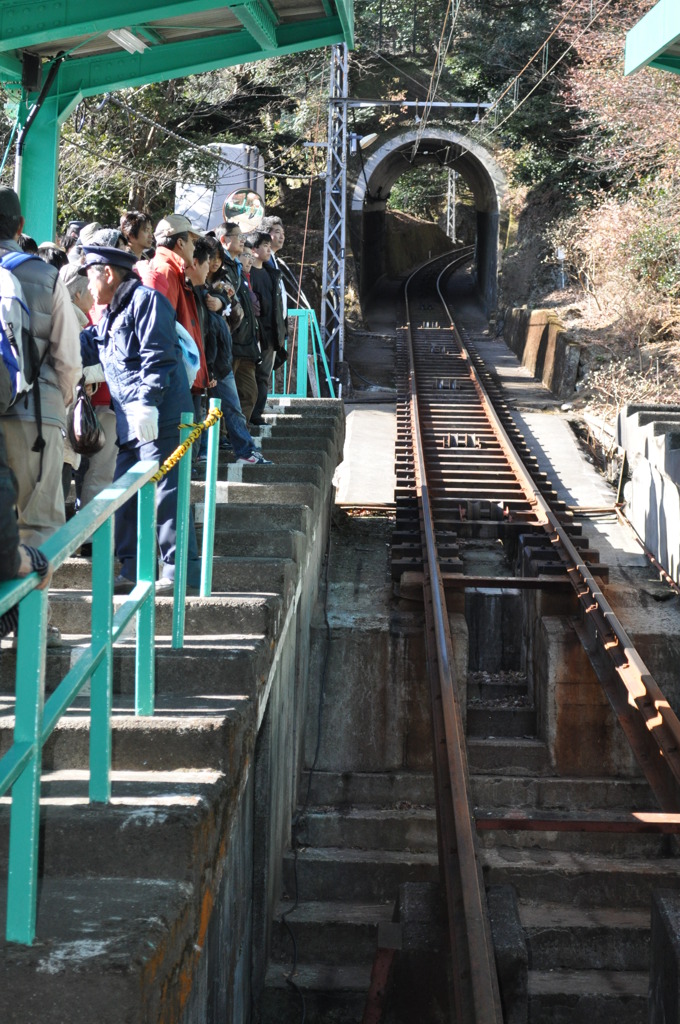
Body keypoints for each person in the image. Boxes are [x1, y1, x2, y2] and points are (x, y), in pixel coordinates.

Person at [79, 246, 201, 594]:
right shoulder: (112, 312)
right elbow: (90, 345)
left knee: (168, 492)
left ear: (107, 273)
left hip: (159, 416)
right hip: (131, 421)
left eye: (90, 276)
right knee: (125, 492)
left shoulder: (147, 301)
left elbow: (158, 357)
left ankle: (180, 573)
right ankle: (132, 566)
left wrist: (147, 404)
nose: (88, 286)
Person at [0, 187, 82, 549]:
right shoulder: (47, 277)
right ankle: (30, 607)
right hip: (34, 418)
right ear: (20, 227)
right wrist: (57, 405)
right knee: (37, 531)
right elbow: (68, 360)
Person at [187, 238, 272, 466]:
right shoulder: (188, 288)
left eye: (217, 258)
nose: (213, 264)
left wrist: (222, 301)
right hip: (206, 361)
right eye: (209, 259)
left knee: (232, 406)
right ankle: (207, 452)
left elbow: (237, 308)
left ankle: (242, 450)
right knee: (207, 411)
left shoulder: (219, 281)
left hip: (221, 356)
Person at [137, 214, 211, 450]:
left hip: (176, 374)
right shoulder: (164, 270)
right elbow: (159, 330)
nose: (193, 247)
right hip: (170, 377)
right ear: (180, 243)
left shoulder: (174, 270)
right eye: (191, 241)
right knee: (175, 456)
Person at [216, 223, 261, 422]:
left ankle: (240, 436)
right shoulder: (221, 265)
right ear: (224, 240)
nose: (243, 240)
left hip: (246, 343)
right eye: (238, 236)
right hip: (231, 341)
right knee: (227, 396)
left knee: (250, 394)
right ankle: (224, 437)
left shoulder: (237, 266)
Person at [245, 230, 287, 425]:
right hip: (253, 334)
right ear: (253, 250)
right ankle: (249, 415)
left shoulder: (272, 274)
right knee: (249, 375)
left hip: (271, 335)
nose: (269, 250)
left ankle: (256, 414)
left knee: (263, 376)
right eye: (265, 246)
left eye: (269, 246)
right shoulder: (247, 275)